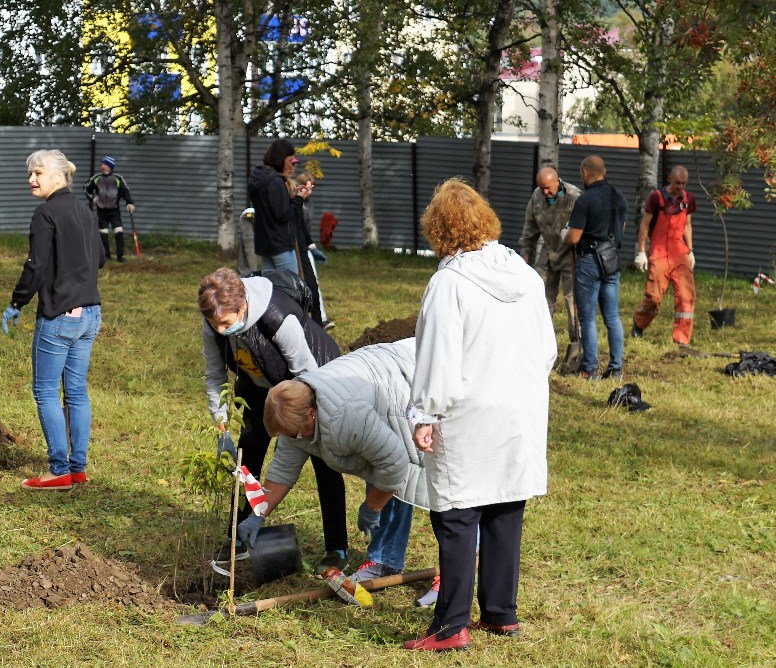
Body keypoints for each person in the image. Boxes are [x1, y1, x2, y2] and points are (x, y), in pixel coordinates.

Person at [404, 179, 556, 652]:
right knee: (506, 506)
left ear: (438, 230)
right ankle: (500, 613)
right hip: (520, 409)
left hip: (468, 412)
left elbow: (437, 357)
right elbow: (547, 348)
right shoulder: (525, 274)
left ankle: (450, 626)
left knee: (457, 513)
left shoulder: (449, 283)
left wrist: (425, 413)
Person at [238, 340, 428, 584]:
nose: (291, 439)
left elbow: (394, 465)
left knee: (447, 489)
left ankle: (457, 567)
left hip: (414, 380)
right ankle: (385, 561)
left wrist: (372, 508)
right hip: (379, 388)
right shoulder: (293, 414)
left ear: (310, 414)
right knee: (380, 468)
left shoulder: (346, 417)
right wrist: (258, 514)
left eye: (293, 433)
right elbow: (283, 470)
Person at [200, 267, 348, 569]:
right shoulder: (213, 322)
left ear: (242, 307)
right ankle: (239, 534)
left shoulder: (277, 317)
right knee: (248, 455)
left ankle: (337, 547)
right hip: (259, 384)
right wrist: (222, 430)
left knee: (324, 461)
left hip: (313, 380)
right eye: (214, 324)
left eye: (225, 323)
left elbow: (307, 376)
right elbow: (215, 376)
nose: (219, 330)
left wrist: (291, 431)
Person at [1, 150, 104, 490]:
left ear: (58, 177)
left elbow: (36, 266)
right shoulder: (86, 212)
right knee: (76, 392)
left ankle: (59, 470)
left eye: (38, 173)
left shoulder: (45, 213)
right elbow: (100, 259)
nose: (31, 179)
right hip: (90, 314)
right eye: (30, 172)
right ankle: (78, 468)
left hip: (60, 317)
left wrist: (17, 302)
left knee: (45, 390)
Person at [566, 155, 629, 380]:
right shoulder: (619, 197)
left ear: (585, 172)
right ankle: (615, 368)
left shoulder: (585, 200)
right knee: (612, 316)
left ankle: (590, 368)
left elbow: (573, 237)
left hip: (589, 261)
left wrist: (565, 236)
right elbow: (622, 226)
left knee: (588, 318)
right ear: (605, 171)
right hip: (611, 260)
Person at [519, 167, 583, 369]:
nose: (545, 193)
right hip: (548, 254)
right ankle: (540, 346)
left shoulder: (574, 196)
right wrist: (525, 255)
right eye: (542, 188)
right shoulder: (536, 197)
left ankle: (577, 350)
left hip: (570, 255)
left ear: (557, 182)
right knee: (540, 300)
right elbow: (530, 228)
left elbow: (582, 230)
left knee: (573, 302)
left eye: (548, 188)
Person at [632, 166, 696, 347]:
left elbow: (687, 225)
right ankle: (639, 324)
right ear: (669, 179)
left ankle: (681, 339)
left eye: (684, 183)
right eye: (677, 183)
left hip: (679, 252)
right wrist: (641, 252)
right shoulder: (656, 197)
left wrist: (690, 251)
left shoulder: (688, 199)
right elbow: (645, 225)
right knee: (654, 298)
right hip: (659, 252)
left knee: (686, 297)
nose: (680, 187)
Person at [248, 139, 300, 274]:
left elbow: (271, 207)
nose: (291, 165)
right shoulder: (275, 181)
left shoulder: (260, 178)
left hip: (265, 243)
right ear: (280, 159)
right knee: (292, 287)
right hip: (280, 244)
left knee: (270, 288)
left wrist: (290, 197)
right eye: (289, 160)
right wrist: (298, 200)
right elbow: (282, 214)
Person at [291, 171, 331, 328]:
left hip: (305, 245)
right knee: (307, 283)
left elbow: (305, 228)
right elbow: (299, 227)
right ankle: (313, 320)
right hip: (298, 247)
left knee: (313, 283)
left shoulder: (308, 203)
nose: (310, 192)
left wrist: (311, 245)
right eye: (307, 189)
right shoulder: (297, 203)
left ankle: (319, 319)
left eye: (311, 188)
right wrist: (309, 244)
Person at [83, 155, 135, 263]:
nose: (102, 166)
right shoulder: (96, 178)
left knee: (118, 231)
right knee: (103, 233)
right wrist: (93, 198)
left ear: (110, 166)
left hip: (114, 210)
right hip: (101, 210)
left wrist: (129, 203)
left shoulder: (117, 178)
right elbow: (86, 188)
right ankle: (106, 255)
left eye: (105, 164)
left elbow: (125, 191)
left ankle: (120, 256)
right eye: (102, 164)